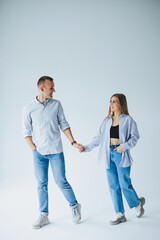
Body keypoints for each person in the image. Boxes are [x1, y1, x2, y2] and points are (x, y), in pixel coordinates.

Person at [23, 76, 82, 229]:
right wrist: (34, 149)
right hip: (38, 153)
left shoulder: (56, 105)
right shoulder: (28, 108)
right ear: (42, 89)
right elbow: (26, 132)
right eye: (51, 88)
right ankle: (44, 215)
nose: (54, 90)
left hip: (56, 151)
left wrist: (73, 142)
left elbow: (64, 124)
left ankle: (75, 206)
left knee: (61, 181)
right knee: (41, 184)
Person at [79, 93, 145, 225]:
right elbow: (98, 138)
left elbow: (135, 137)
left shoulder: (128, 120)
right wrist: (86, 147)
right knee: (113, 185)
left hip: (121, 154)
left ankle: (137, 203)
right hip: (108, 155)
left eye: (114, 101)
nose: (111, 104)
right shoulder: (106, 121)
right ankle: (119, 213)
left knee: (124, 184)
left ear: (121, 104)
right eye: (110, 101)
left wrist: (123, 147)